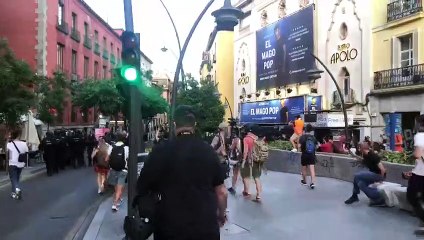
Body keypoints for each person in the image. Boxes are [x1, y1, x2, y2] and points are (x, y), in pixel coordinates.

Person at [137, 105, 228, 240]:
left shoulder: (160, 151)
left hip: (169, 227)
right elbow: (222, 192)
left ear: (174, 124)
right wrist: (221, 214)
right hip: (204, 228)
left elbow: (142, 186)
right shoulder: (208, 151)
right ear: (194, 125)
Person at [405, 114, 424, 235]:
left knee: (411, 196)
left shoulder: (420, 135)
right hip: (419, 171)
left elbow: (417, 154)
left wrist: (413, 154)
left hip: (421, 174)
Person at [107, 132, 129, 211]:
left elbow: (107, 158)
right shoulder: (126, 148)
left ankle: (118, 198)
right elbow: (128, 159)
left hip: (113, 169)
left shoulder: (111, 147)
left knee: (116, 187)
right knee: (120, 187)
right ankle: (115, 204)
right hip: (123, 170)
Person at [240, 124, 264, 201]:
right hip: (258, 159)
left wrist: (243, 161)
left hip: (249, 160)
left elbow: (245, 152)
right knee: (257, 177)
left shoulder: (246, 139)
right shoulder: (257, 138)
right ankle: (259, 194)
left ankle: (246, 191)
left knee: (246, 175)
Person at [7, 129, 29, 200]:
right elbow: (27, 152)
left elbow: (9, 155)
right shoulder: (24, 143)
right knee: (17, 178)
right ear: (18, 136)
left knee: (13, 178)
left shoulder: (9, 144)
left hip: (12, 163)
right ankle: (14, 192)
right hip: (21, 164)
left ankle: (17, 190)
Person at [298, 124, 318, 189]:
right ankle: (312, 183)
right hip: (312, 155)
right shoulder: (313, 137)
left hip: (304, 155)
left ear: (305, 129)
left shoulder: (302, 137)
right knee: (312, 169)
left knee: (304, 168)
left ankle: (304, 181)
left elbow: (299, 146)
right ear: (311, 130)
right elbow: (317, 146)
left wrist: (300, 150)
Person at [228, 130, 243, 195]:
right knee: (237, 173)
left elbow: (232, 148)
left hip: (236, 157)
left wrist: (229, 147)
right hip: (240, 157)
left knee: (235, 173)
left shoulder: (236, 139)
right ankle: (235, 187)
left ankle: (233, 187)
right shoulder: (242, 139)